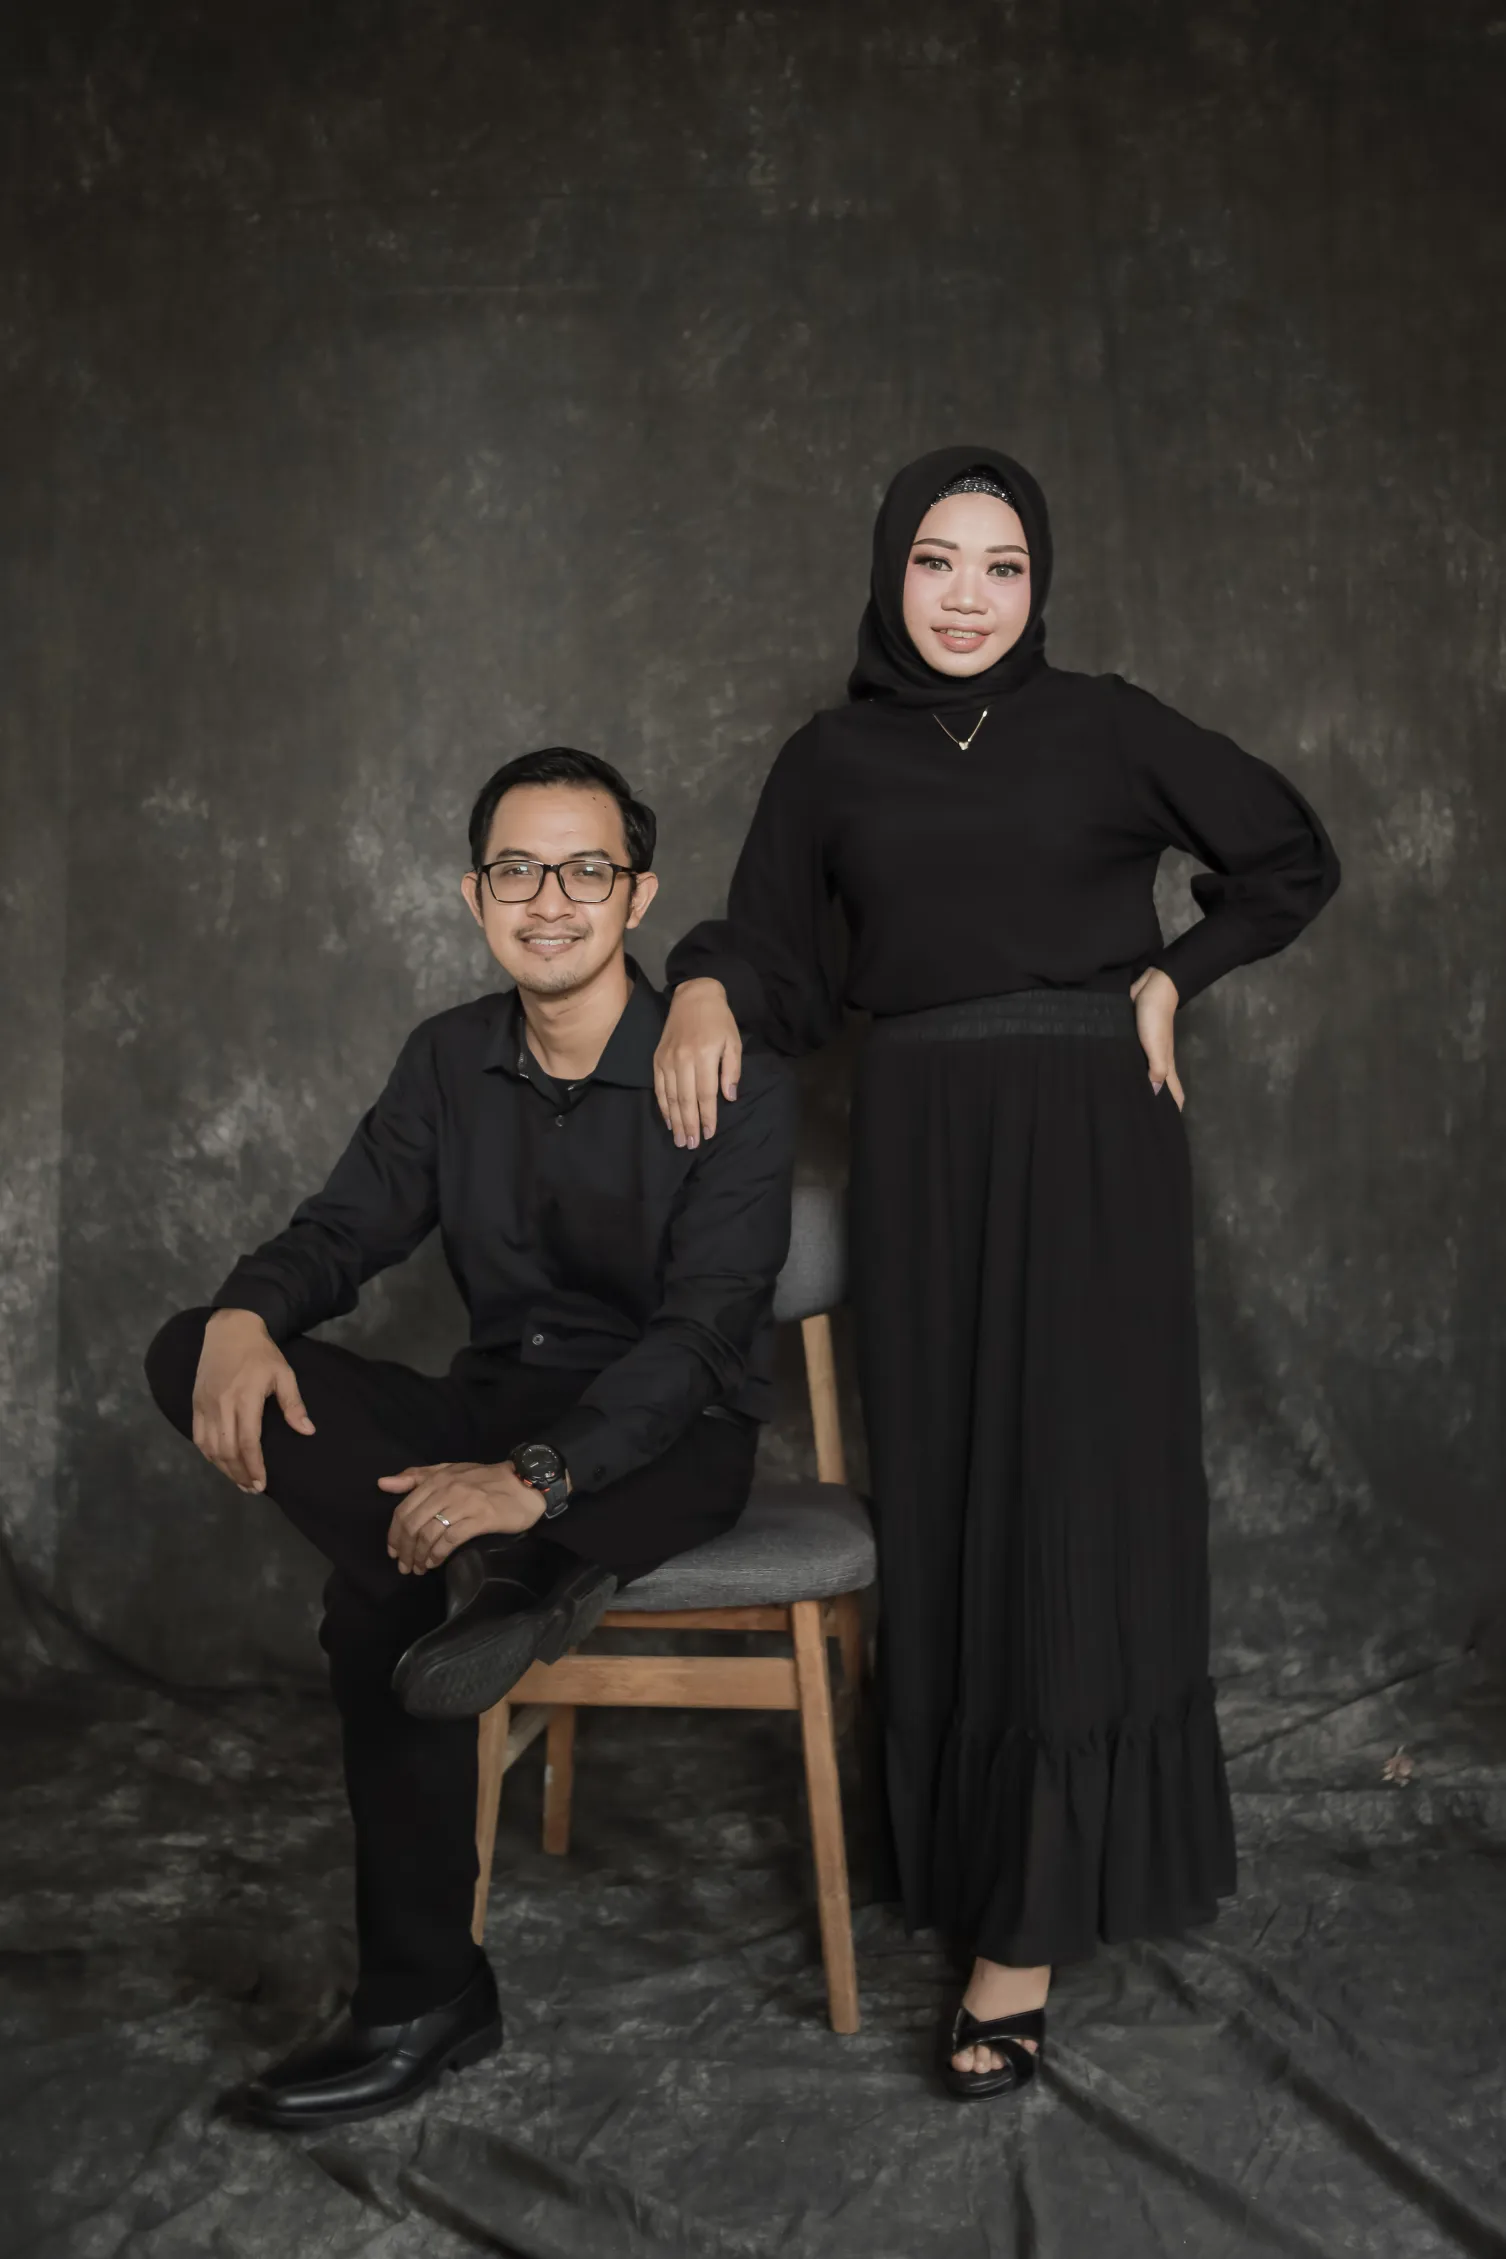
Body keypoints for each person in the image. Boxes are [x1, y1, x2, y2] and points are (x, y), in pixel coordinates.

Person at [653, 447, 1341, 2100]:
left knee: (1073, 1499)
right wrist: (699, 987)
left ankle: (1020, 1932)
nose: (966, 595)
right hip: (921, 1150)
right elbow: (774, 956)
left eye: (1002, 565)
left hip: (1093, 1138)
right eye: (936, 560)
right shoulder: (829, 760)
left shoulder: (1104, 723)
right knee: (959, 1501)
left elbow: (1287, 858)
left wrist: (1171, 976)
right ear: (888, 571)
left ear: (1039, 585)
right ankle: (979, 1854)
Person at [144, 746, 796, 2128]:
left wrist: (535, 1481)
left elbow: (702, 1337)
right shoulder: (447, 1057)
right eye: (516, 870)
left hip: (667, 1429)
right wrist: (249, 1313)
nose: (548, 900)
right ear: (472, 893)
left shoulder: (726, 1068)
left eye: (585, 870)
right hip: (491, 1400)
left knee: (380, 1605)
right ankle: (497, 1583)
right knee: (191, 1346)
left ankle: (423, 1991)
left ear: (638, 896)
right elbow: (344, 1230)